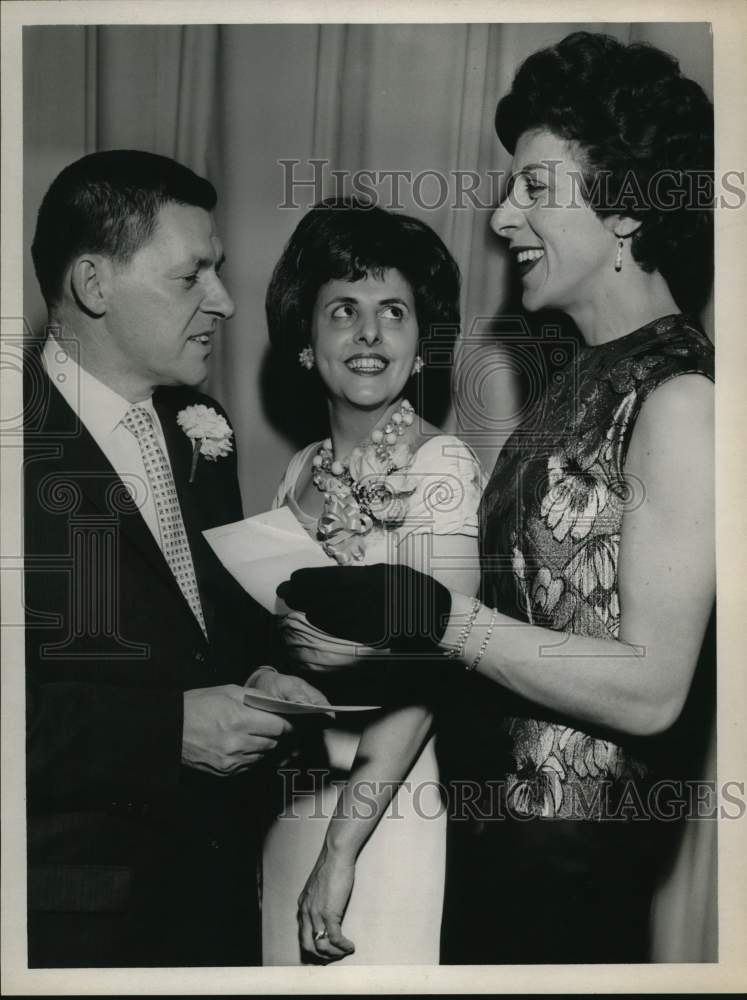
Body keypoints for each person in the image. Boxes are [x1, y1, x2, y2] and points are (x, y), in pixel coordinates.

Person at [278, 31, 715, 963]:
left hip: (573, 890)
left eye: (536, 187)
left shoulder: (680, 400)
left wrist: (436, 617)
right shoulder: (574, 385)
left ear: (628, 207)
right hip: (497, 865)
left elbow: (652, 692)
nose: (501, 215)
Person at [23, 149, 327, 967]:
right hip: (72, 922)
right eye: (192, 276)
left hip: (214, 898)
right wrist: (165, 732)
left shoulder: (204, 430)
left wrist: (262, 676)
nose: (224, 303)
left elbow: (201, 631)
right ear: (94, 284)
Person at [253, 198, 483, 964]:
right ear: (305, 339)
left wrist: (340, 852)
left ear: (421, 344)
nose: (369, 333)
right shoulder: (297, 473)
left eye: (393, 311)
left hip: (388, 810)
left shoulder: (439, 467)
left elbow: (430, 673)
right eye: (342, 310)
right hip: (295, 796)